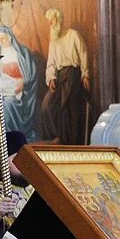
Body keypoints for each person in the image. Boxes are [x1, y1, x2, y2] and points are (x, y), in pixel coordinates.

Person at [39, 8, 93, 145]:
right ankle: (56, 135)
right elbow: (51, 62)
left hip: (73, 74)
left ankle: (67, 141)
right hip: (59, 75)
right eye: (49, 21)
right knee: (47, 105)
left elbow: (84, 54)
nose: (51, 24)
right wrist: (51, 78)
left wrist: (85, 74)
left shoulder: (73, 35)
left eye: (53, 21)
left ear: (59, 21)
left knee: (68, 109)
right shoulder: (54, 40)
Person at [0, 26, 40, 141]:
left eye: (3, 38)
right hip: (2, 84)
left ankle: (6, 136)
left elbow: (30, 73)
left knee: (6, 104)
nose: (1, 42)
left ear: (10, 38)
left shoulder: (22, 53)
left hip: (16, 86)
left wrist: (23, 82)